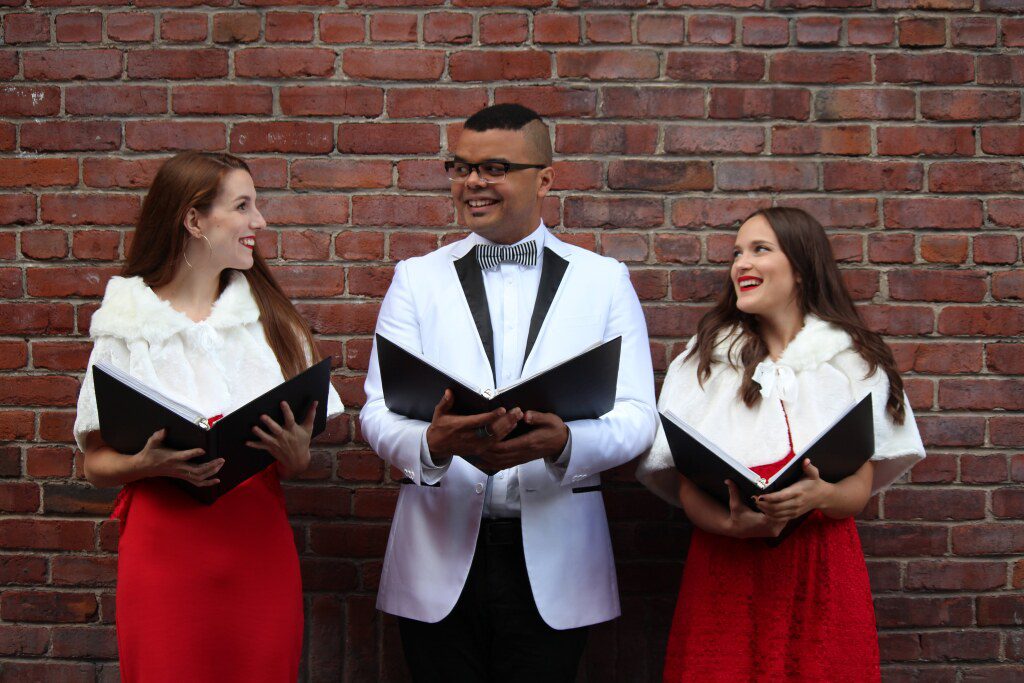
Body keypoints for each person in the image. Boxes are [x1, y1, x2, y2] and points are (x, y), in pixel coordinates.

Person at [360, 103, 657, 681]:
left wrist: (565, 442)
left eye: (495, 167)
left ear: (544, 178)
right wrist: (433, 445)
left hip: (558, 557)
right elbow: (377, 410)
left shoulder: (604, 280)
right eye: (461, 166)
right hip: (437, 553)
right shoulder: (416, 279)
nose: (473, 182)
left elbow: (638, 416)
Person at [73, 151, 343, 682]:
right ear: (194, 220)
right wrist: (146, 464)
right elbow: (95, 464)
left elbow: (298, 459)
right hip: (164, 556)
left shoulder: (273, 324)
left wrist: (297, 455)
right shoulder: (125, 325)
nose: (258, 222)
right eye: (243, 206)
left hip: (258, 550)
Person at [636, 207, 926, 682]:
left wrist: (823, 495)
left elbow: (860, 488)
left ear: (801, 268)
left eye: (760, 250)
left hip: (821, 570)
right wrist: (731, 526)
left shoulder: (851, 361)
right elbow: (684, 483)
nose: (740, 264)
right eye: (737, 253)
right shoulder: (706, 358)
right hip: (725, 568)